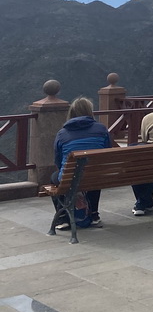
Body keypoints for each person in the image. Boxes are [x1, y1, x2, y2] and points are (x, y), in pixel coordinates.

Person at [51, 97, 114, 229]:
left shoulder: (62, 134)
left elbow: (58, 159)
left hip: (70, 177)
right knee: (94, 172)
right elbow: (107, 153)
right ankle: (94, 214)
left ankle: (62, 218)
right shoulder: (101, 129)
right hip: (97, 176)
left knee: (54, 177)